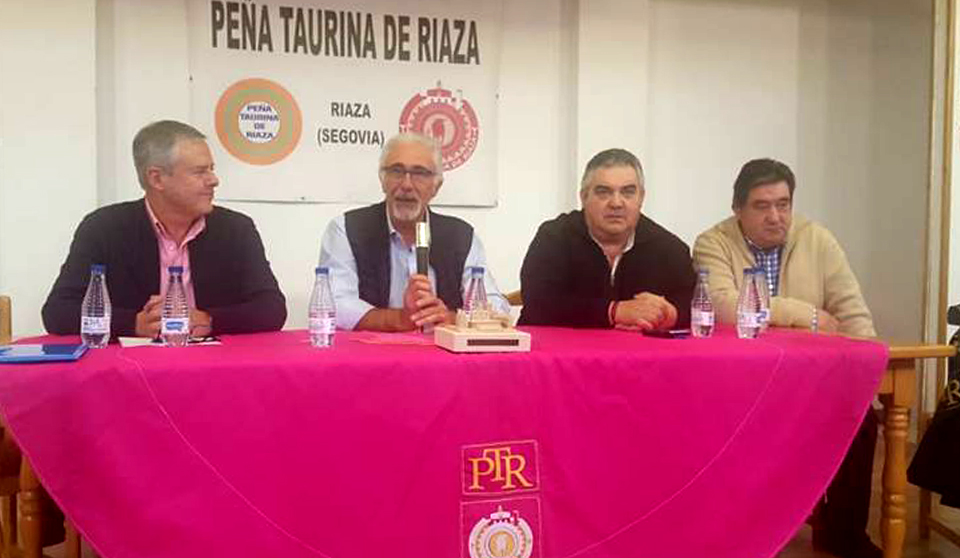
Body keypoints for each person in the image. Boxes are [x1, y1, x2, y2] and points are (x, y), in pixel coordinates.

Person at [693, 158, 879, 558]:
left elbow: (852, 314)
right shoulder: (712, 243)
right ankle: (742, 534)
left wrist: (867, 376)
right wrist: (806, 315)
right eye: (762, 206)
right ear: (737, 209)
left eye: (783, 204)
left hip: (812, 383)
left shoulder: (818, 240)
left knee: (864, 416)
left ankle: (843, 534)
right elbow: (726, 307)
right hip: (742, 385)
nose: (775, 216)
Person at [42, 119, 286, 338]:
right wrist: (132, 324)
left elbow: (272, 309)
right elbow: (58, 312)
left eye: (211, 169)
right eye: (200, 171)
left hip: (213, 368)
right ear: (157, 178)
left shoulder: (236, 229)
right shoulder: (104, 228)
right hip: (134, 373)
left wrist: (208, 319)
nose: (214, 180)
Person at [318, 132, 508, 331]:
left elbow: (495, 306)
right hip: (371, 355)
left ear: (436, 186)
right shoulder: (346, 230)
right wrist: (399, 319)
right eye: (396, 171)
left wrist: (452, 319)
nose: (407, 185)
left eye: (420, 173)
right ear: (382, 180)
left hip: (443, 357)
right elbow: (334, 304)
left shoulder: (461, 236)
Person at [518, 148, 695, 329]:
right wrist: (614, 311)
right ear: (584, 197)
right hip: (560, 353)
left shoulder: (669, 248)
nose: (616, 203)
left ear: (641, 197)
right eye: (604, 192)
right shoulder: (554, 237)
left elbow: (694, 303)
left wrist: (671, 315)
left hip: (639, 354)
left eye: (628, 192)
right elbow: (538, 303)